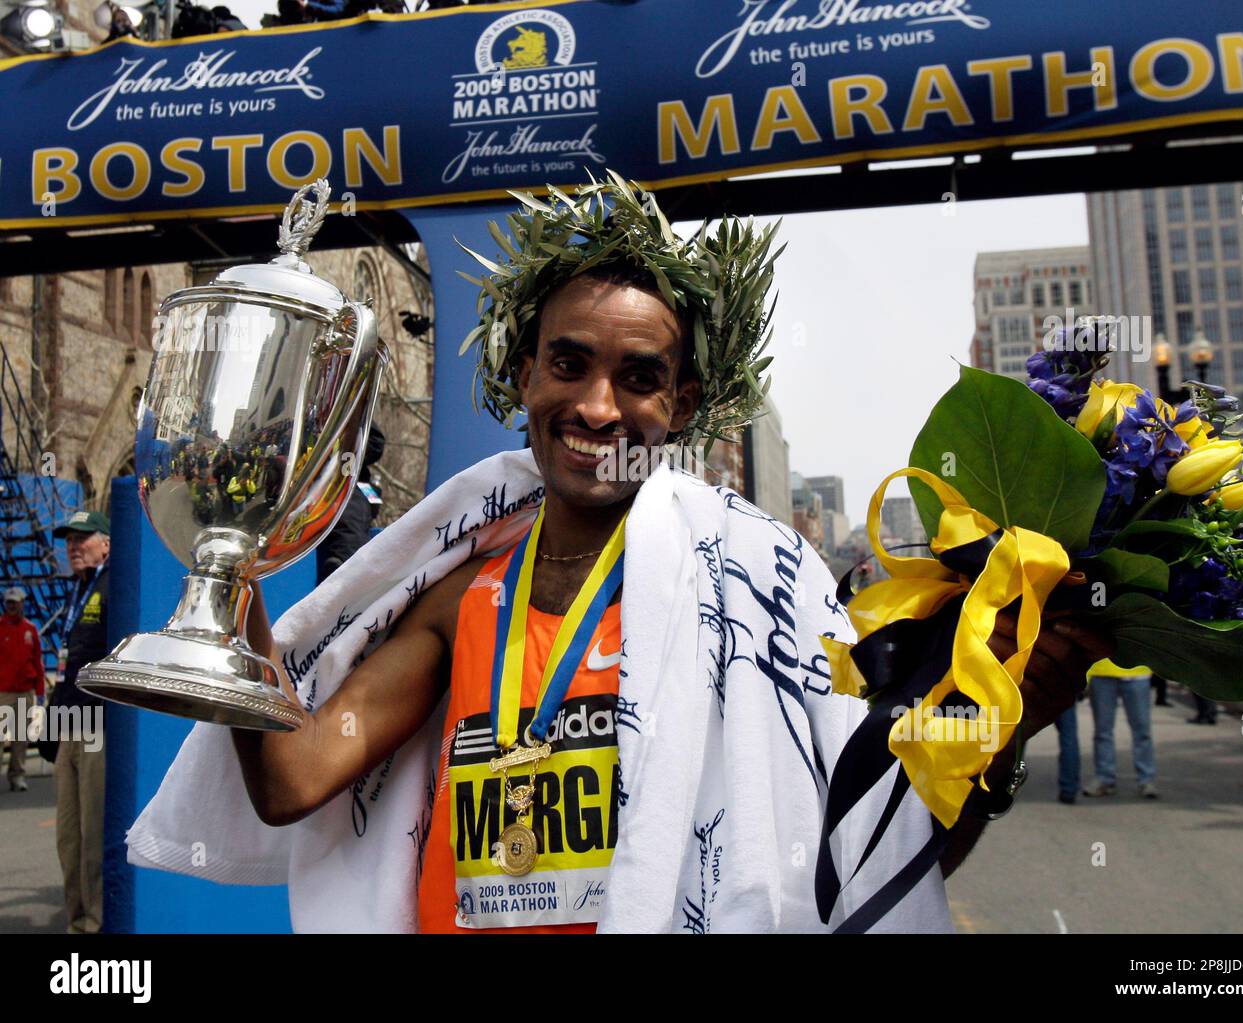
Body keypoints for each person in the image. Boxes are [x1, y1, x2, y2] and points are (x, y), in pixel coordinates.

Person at [146, 176, 1108, 932]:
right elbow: (292, 780)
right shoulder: (463, 596)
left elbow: (861, 863)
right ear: (525, 375)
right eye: (569, 363)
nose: (598, 407)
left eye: (639, 378)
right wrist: (230, 562)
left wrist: (1005, 735)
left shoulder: (750, 600)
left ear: (682, 407)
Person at [49, 509, 111, 934]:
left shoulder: (114, 587)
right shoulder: (77, 589)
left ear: (106, 543)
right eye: (69, 539)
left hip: (96, 726)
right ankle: (76, 921)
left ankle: (95, 924)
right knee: (68, 837)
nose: (73, 546)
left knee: (92, 836)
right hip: (69, 724)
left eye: (83, 538)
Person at [315, 424, 385, 584]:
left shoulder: (350, 410)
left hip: (348, 483)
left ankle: (346, 569)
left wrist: (345, 453)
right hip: (306, 484)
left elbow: (376, 443)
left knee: (349, 509)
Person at [1083, 658, 1157, 799]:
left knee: (1142, 731)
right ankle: (1105, 778)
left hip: (1138, 672)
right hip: (1101, 672)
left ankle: (1146, 779)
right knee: (1102, 731)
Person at [0, 586, 45, 792]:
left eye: (14, 603)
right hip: (3, 691)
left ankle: (17, 775)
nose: (11, 606)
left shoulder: (30, 629)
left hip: (25, 691)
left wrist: (40, 691)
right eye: (8, 603)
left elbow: (37, 661)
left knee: (20, 737)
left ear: (21, 604)